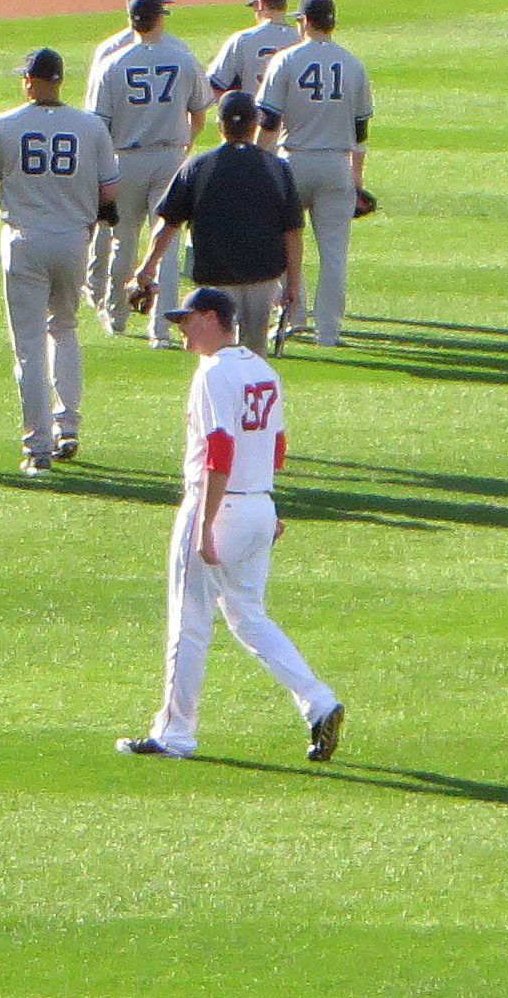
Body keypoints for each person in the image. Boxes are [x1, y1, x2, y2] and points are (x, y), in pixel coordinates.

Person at [125, 287, 346, 765]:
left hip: (218, 507)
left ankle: (174, 734)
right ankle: (319, 702)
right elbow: (276, 447)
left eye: (187, 321)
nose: (182, 330)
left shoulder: (213, 373)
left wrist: (206, 525)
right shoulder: (262, 370)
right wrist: (265, 507)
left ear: (212, 319)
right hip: (257, 505)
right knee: (248, 616)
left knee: (189, 622)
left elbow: (219, 451)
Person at [0, 47, 120, 475]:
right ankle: (67, 426)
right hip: (73, 241)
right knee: (65, 329)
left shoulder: (5, 123)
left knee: (29, 346)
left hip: (25, 240)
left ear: (31, 82)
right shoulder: (91, 126)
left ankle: (38, 446)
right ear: (60, 81)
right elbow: (109, 192)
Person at [130, 89, 303, 354]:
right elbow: (292, 232)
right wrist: (293, 283)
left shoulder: (198, 166)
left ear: (220, 125)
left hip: (215, 280)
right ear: (254, 124)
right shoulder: (276, 168)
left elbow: (168, 224)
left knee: (215, 354)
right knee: (253, 356)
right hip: (262, 277)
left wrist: (147, 267)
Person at [86, 0, 211, 344]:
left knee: (122, 241)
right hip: (170, 157)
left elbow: (98, 127)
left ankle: (117, 316)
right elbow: (199, 111)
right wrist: (185, 143)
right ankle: (161, 329)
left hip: (124, 159)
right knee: (166, 244)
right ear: (160, 18)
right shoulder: (182, 57)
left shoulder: (112, 63)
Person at [261, 0, 374, 345]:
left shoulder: (285, 60)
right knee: (334, 255)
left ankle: (292, 318)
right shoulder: (353, 64)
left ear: (306, 22)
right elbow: (360, 132)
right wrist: (356, 178)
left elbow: (268, 122)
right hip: (336, 165)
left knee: (284, 246)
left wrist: (256, 163)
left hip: (291, 162)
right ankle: (328, 331)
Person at [206, 0, 302, 103]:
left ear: (260, 4)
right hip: (294, 114)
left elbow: (213, 86)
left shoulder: (241, 40)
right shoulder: (301, 40)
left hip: (251, 113)